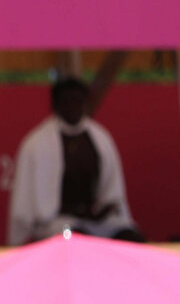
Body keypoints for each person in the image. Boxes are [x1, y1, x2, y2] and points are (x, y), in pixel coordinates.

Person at [8, 78, 144, 245]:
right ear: (55, 105)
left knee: (131, 238)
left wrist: (103, 208)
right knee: (74, 240)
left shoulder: (100, 139)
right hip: (57, 223)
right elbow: (31, 206)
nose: (73, 107)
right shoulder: (36, 144)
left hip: (99, 223)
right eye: (67, 102)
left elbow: (112, 193)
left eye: (78, 101)